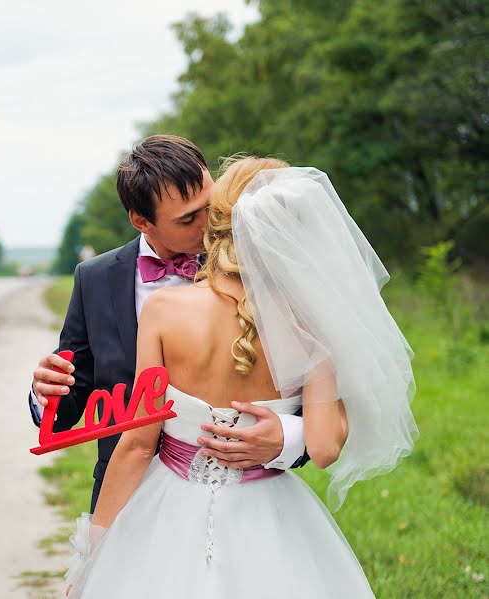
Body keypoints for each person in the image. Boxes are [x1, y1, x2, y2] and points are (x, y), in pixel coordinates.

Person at [64, 157, 418, 598]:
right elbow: (325, 448)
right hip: (270, 516)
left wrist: (93, 561)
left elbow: (136, 445)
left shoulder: (162, 311)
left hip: (167, 505)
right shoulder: (311, 326)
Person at [29, 136, 310, 513]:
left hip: (235, 501)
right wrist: (46, 393)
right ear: (141, 221)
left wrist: (288, 437)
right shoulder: (94, 280)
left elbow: (318, 400)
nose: (209, 223)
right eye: (187, 219)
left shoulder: (256, 272)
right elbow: (69, 407)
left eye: (210, 206)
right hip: (124, 499)